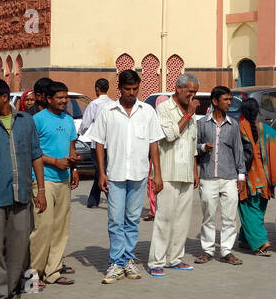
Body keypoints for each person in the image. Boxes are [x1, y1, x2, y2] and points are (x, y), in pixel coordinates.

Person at [0, 77, 45, 299]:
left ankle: (13, 292)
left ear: (5, 97)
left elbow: (36, 155)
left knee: (19, 247)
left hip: (22, 193)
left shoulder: (25, 121)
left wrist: (42, 190)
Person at [90, 70, 162, 282]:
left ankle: (128, 260)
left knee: (132, 219)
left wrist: (157, 173)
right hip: (115, 174)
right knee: (115, 219)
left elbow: (154, 143)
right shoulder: (107, 111)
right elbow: (99, 144)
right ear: (119, 88)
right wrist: (101, 173)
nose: (131, 93)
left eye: (135, 89)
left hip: (139, 175)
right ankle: (115, 263)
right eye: (127, 89)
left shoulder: (147, 111)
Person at [149, 74, 200, 275]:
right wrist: (188, 114)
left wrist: (195, 171)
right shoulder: (163, 109)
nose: (192, 95)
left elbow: (193, 144)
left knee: (182, 220)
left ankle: (175, 258)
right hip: (168, 171)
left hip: (186, 172)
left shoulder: (191, 111)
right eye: (190, 91)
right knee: (164, 218)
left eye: (195, 92)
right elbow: (170, 135)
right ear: (178, 88)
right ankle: (156, 261)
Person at [30, 80, 80, 286]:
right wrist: (54, 162)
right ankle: (33, 274)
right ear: (48, 99)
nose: (63, 101)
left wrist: (73, 166)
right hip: (43, 180)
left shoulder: (68, 120)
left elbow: (71, 146)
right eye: (59, 97)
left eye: (65, 97)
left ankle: (53, 271)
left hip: (63, 179)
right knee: (43, 227)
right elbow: (33, 153)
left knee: (61, 228)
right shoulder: (37, 120)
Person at [195, 86, 247, 265]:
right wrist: (203, 147)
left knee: (229, 217)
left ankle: (226, 251)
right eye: (226, 99)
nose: (229, 103)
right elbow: (193, 147)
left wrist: (241, 177)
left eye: (230, 99)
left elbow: (239, 151)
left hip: (229, 177)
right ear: (215, 101)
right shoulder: (202, 124)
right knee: (208, 215)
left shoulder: (233, 125)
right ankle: (207, 250)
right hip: (208, 176)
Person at [238, 97, 276, 257]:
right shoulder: (267, 129)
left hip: (249, 179)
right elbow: (274, 135)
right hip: (266, 179)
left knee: (249, 210)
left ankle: (260, 242)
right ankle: (245, 239)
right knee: (256, 210)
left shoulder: (240, 128)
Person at [79, 77, 114, 209]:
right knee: (101, 171)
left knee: (102, 171)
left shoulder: (94, 104)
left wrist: (79, 133)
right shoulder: (113, 103)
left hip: (97, 143)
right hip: (110, 143)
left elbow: (86, 122)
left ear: (97, 89)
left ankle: (112, 198)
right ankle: (93, 200)